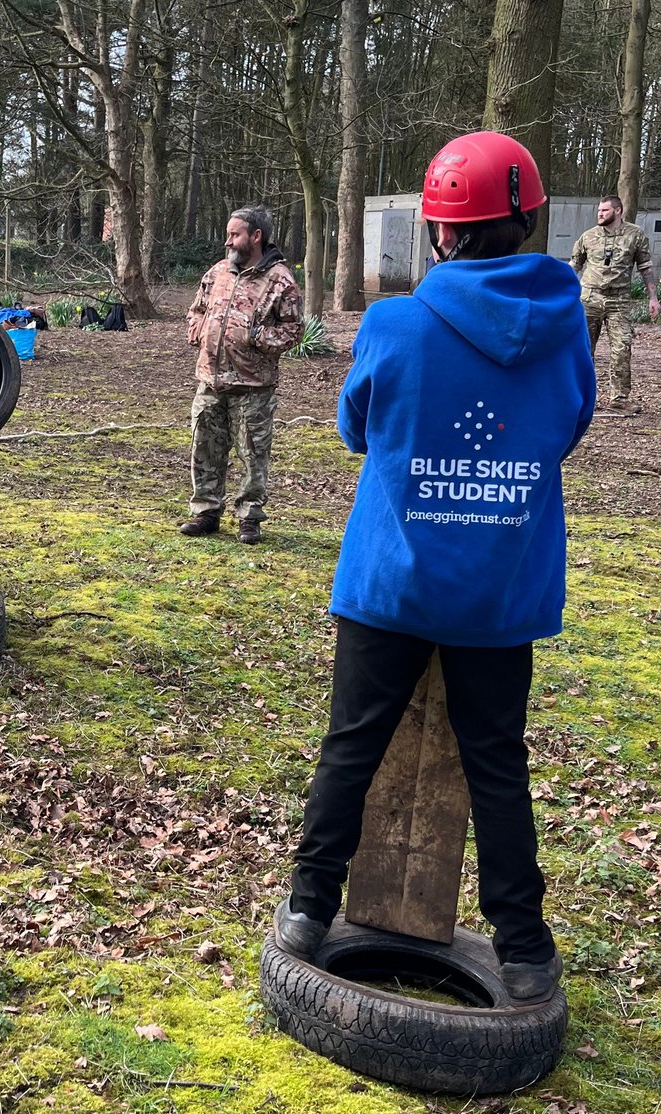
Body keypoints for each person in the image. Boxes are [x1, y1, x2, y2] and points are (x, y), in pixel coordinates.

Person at [273, 132, 596, 1005]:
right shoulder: (569, 325)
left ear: (437, 228)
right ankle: (525, 948)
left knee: (352, 746)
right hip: (501, 586)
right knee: (498, 761)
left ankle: (308, 908)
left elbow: (356, 427)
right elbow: (569, 430)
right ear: (526, 219)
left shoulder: (396, 320)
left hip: (394, 582)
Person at [181, 204, 303, 545]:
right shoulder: (219, 271)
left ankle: (250, 518)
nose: (227, 241)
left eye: (234, 234)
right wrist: (198, 330)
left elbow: (294, 331)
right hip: (210, 380)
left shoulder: (280, 280)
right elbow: (197, 309)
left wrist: (256, 336)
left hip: (253, 387)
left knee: (253, 453)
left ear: (256, 237)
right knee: (205, 448)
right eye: (228, 234)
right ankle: (206, 512)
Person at [569, 195, 659, 416]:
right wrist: (563, 294)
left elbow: (645, 267)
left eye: (605, 211)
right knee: (583, 349)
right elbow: (573, 266)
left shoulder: (635, 235)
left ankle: (619, 399)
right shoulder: (588, 237)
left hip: (619, 300)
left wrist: (653, 298)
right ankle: (580, 399)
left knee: (621, 348)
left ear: (618, 211)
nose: (600, 214)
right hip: (589, 298)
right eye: (599, 211)